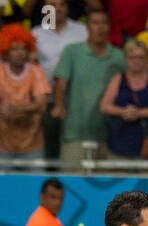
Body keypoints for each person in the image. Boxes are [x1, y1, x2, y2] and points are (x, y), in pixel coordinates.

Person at [51, 9, 123, 164]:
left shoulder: (119, 56)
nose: (100, 27)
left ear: (109, 27)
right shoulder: (72, 51)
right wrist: (58, 104)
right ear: (87, 27)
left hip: (109, 136)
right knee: (73, 183)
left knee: (110, 187)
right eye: (95, 23)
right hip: (75, 133)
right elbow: (60, 80)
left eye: (104, 23)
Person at [98, 38, 148, 158]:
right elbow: (104, 106)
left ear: (147, 59)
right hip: (119, 143)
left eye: (141, 57)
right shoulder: (118, 79)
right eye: (132, 57)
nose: (136, 61)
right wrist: (125, 112)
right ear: (126, 59)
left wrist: (138, 113)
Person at [0, 23, 49, 160]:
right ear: (6, 52)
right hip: (3, 144)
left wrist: (15, 107)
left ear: (29, 51)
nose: (19, 53)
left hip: (33, 144)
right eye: (14, 49)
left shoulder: (36, 72)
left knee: (36, 181)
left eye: (23, 49)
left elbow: (41, 105)